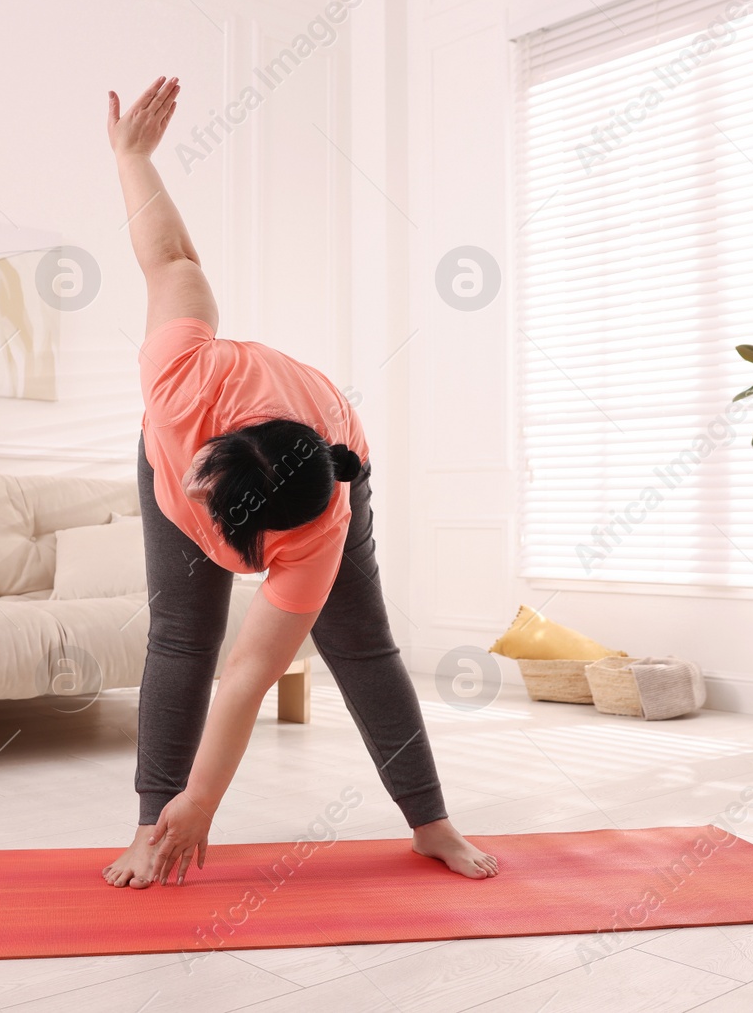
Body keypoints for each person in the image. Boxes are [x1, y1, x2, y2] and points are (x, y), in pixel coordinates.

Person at [100, 77, 499, 888]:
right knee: (181, 635)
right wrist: (132, 156)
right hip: (174, 457)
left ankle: (432, 822)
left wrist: (207, 797)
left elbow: (252, 669)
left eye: (233, 538)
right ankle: (149, 827)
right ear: (214, 450)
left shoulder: (320, 527)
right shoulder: (181, 377)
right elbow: (172, 257)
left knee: (360, 644)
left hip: (322, 464)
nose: (214, 536)